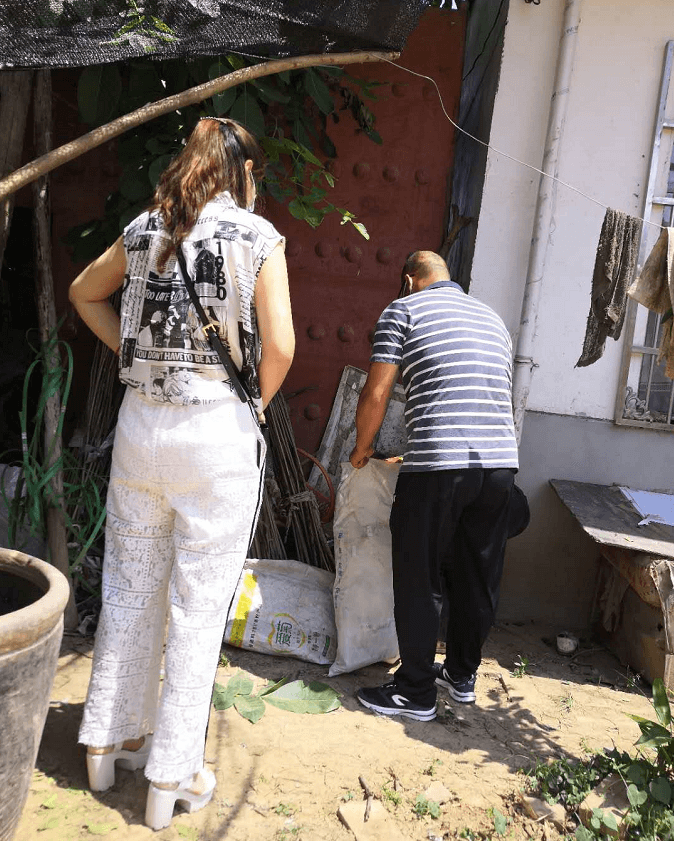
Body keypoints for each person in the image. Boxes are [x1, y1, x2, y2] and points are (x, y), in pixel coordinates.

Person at [69, 117, 295, 830]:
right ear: (245, 172)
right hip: (215, 434)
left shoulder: (146, 228)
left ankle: (105, 744)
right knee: (198, 608)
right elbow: (282, 346)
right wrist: (256, 403)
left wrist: (132, 355)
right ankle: (172, 774)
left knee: (128, 587)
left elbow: (83, 291)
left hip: (142, 428)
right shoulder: (258, 237)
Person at [349, 251, 518, 721]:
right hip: (500, 466)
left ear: (409, 280)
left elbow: (377, 392)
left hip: (439, 465)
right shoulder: (493, 319)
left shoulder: (403, 310)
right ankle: (461, 675)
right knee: (476, 575)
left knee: (418, 575)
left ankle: (415, 692)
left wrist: (362, 448)